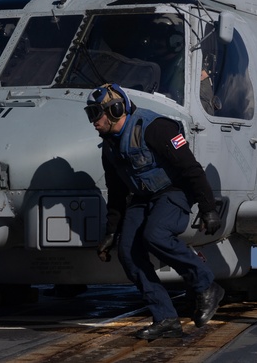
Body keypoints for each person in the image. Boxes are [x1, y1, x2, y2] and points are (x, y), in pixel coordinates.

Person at [87, 83, 225, 340]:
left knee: (156, 235)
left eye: (96, 113)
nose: (93, 121)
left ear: (116, 109)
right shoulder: (110, 146)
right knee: (128, 253)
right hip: (143, 197)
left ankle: (206, 285)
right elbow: (116, 192)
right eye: (90, 114)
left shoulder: (156, 128)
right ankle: (165, 318)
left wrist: (208, 209)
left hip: (174, 191)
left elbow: (191, 168)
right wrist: (111, 232)